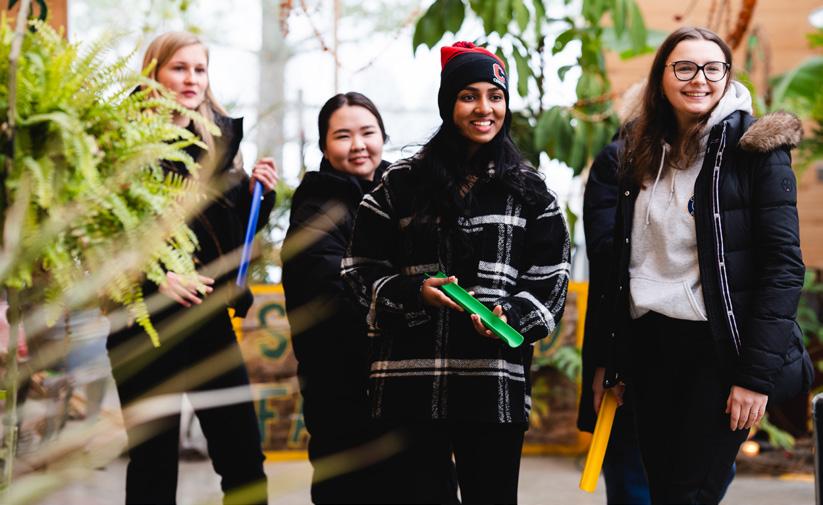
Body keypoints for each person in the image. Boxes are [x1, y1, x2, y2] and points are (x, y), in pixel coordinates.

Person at [341, 41, 570, 504]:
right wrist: (413, 293)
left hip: (493, 385)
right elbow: (358, 270)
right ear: (448, 104)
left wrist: (511, 315)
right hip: (408, 384)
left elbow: (551, 277)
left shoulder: (530, 191)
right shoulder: (400, 184)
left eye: (495, 96)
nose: (484, 108)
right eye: (469, 96)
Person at [593, 26, 805, 504]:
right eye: (685, 68)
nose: (699, 79)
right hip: (650, 347)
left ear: (727, 76)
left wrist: (753, 378)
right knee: (663, 490)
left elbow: (783, 267)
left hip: (718, 350)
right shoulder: (639, 151)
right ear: (661, 78)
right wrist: (612, 359)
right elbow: (621, 265)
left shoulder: (755, 151)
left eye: (713, 68)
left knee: (690, 494)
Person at [106, 31, 277, 505]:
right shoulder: (120, 142)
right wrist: (156, 278)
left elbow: (227, 236)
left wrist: (257, 197)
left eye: (200, 69)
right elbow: (102, 240)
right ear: (153, 73)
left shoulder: (220, 141)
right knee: (154, 467)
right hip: (145, 327)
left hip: (208, 319)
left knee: (244, 461)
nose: (191, 79)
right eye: (179, 68)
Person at [281, 92, 395, 503]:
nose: (358, 145)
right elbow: (331, 293)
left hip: (398, 382)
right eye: (343, 136)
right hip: (342, 384)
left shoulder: (402, 194)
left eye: (368, 132)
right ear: (325, 147)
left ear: (383, 137)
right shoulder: (316, 210)